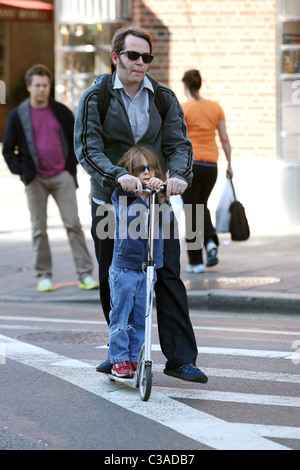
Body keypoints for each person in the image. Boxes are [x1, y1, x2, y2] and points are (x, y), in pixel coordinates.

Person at [74, 25, 208, 384]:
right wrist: (116, 175)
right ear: (116, 57)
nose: (140, 63)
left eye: (146, 57)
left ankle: (180, 359)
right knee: (115, 277)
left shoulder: (163, 97)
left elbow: (180, 145)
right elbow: (88, 149)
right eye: (133, 55)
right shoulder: (95, 97)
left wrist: (179, 176)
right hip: (110, 203)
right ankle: (122, 354)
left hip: (154, 200)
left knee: (167, 275)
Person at [2, 64, 98, 292]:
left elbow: (78, 140)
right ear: (29, 87)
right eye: (37, 85)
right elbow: (8, 149)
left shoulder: (61, 111)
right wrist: (22, 171)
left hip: (62, 176)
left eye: (45, 85)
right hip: (35, 179)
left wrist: (69, 167)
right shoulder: (18, 115)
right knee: (39, 229)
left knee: (73, 224)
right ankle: (44, 275)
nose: (42, 90)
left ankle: (85, 274)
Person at [108, 146, 171, 378]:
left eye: (151, 168)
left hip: (148, 268)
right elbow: (131, 219)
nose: (147, 172)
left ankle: (135, 358)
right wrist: (143, 195)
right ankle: (119, 360)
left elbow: (167, 221)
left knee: (141, 318)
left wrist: (161, 196)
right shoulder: (122, 197)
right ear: (128, 174)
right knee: (121, 317)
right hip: (125, 268)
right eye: (140, 169)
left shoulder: (159, 197)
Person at [181, 69, 233, 273]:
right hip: (212, 166)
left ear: (185, 86)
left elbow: (179, 140)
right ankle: (210, 243)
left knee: (191, 211)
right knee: (200, 206)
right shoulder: (215, 107)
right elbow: (224, 138)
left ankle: (196, 262)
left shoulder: (184, 108)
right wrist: (229, 163)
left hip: (191, 164)